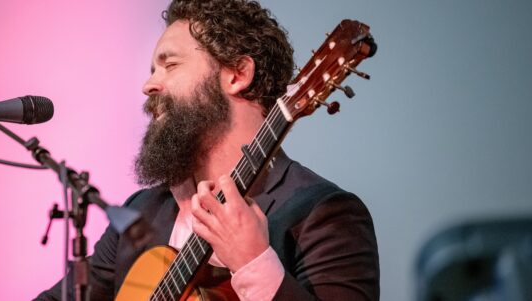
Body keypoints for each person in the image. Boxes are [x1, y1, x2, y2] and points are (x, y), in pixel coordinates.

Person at [36, 0, 379, 300]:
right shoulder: (144, 211)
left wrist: (252, 262)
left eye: (170, 65)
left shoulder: (323, 213)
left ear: (237, 74)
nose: (149, 85)